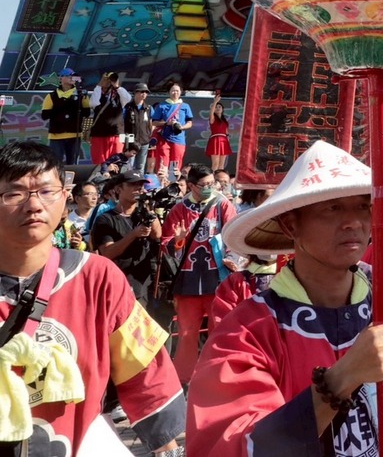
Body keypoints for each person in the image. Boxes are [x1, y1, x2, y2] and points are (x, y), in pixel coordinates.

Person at [186, 140, 383, 454]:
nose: (355, 221)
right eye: (333, 207)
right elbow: (235, 444)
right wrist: (341, 379)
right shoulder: (246, 332)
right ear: (290, 223)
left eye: (364, 205)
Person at [0, 142, 185, 456]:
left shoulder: (97, 277)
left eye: (46, 191)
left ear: (64, 198)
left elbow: (143, 367)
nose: (33, 205)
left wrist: (166, 447)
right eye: (14, 193)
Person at [160, 164, 238, 386]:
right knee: (186, 333)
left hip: (218, 277)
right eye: (203, 185)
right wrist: (178, 240)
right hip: (188, 279)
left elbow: (233, 235)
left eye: (211, 183)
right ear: (191, 185)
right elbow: (166, 245)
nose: (209, 188)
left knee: (220, 328)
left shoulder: (222, 205)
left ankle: (219, 377)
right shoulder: (179, 209)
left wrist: (232, 258)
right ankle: (183, 380)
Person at [90, 169, 162, 302]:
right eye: (132, 184)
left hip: (144, 282)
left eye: (141, 184)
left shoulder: (144, 214)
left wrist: (150, 212)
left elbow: (157, 235)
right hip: (117, 283)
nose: (138, 188)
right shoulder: (106, 219)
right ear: (118, 189)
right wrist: (133, 234)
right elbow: (107, 252)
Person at [40, 67, 90, 164]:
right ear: (61, 78)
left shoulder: (81, 94)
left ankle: (72, 179)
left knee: (73, 163)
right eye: (68, 76)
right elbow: (45, 115)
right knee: (55, 163)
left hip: (74, 134)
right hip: (56, 135)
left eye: (73, 76)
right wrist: (64, 104)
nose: (71, 78)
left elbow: (86, 113)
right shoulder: (52, 96)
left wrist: (80, 99)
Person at [151, 84, 194, 181]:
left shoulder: (185, 106)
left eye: (177, 90)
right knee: (162, 163)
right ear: (169, 92)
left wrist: (181, 127)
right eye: (173, 90)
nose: (175, 93)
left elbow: (190, 123)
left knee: (176, 164)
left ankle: (173, 183)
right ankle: (161, 184)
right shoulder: (162, 105)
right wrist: (167, 123)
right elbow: (154, 122)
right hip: (164, 139)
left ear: (181, 92)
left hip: (179, 139)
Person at [88, 71, 132, 164]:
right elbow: (93, 103)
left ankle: (115, 178)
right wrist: (100, 85)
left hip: (116, 133)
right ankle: (100, 177)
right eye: (106, 79)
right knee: (99, 161)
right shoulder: (98, 92)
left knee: (116, 160)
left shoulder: (118, 94)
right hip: (99, 133)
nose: (108, 82)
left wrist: (116, 85)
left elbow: (128, 99)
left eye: (110, 80)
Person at [124, 83, 154, 172]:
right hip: (130, 141)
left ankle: (139, 185)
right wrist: (123, 140)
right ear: (135, 93)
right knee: (129, 166)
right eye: (142, 91)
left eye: (146, 92)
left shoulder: (149, 108)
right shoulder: (127, 107)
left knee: (140, 166)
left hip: (144, 141)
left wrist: (150, 136)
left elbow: (151, 124)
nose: (144, 94)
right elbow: (121, 124)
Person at [206, 97, 232, 172]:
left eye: (219, 107)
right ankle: (213, 180)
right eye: (216, 107)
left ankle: (220, 180)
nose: (218, 108)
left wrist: (227, 138)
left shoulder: (224, 121)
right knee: (215, 164)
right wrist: (215, 102)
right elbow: (211, 113)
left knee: (221, 165)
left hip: (224, 141)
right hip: (215, 140)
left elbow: (226, 132)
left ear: (222, 109)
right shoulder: (213, 118)